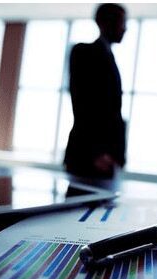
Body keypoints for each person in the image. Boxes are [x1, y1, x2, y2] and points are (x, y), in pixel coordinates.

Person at [64, 3, 127, 179]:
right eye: (122, 22)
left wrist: (118, 155)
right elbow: (81, 103)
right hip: (88, 155)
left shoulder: (110, 57)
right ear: (105, 23)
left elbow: (114, 112)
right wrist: (96, 152)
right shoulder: (83, 52)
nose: (125, 28)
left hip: (108, 157)